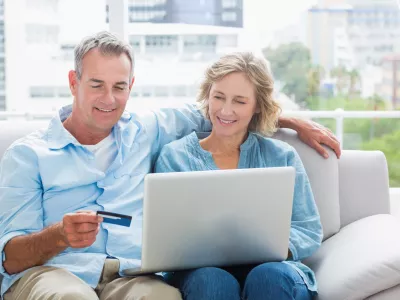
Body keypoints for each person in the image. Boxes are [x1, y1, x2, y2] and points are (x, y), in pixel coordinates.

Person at [0, 32, 337, 300]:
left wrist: (287, 121)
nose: (109, 99)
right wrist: (58, 236)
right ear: (74, 82)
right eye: (96, 85)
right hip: (58, 273)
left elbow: (224, 113)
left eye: (119, 86)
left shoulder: (146, 130)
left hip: (129, 276)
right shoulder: (29, 155)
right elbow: (10, 258)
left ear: (131, 86)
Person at [155, 52, 323, 300]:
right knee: (212, 281)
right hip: (201, 274)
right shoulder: (174, 157)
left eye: (240, 101)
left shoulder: (282, 157)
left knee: (267, 276)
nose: (225, 110)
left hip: (274, 272)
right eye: (218, 97)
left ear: (257, 106)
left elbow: (308, 228)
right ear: (207, 96)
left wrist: (268, 249)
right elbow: (165, 237)